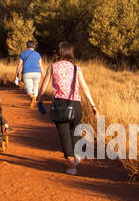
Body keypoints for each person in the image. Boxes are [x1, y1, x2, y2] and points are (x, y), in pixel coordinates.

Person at [35, 42, 97, 175]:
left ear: (59, 53)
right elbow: (84, 87)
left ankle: (72, 166)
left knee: (64, 135)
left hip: (61, 105)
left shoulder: (52, 67)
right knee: (75, 131)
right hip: (76, 105)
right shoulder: (76, 69)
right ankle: (77, 156)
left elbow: (44, 85)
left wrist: (40, 98)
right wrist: (93, 105)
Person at [17, 41, 43, 106]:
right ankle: (33, 99)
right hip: (37, 73)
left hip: (26, 72)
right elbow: (41, 65)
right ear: (34, 46)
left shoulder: (23, 53)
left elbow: (19, 64)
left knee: (28, 87)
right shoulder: (37, 54)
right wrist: (43, 74)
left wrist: (17, 72)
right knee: (35, 87)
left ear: (27, 46)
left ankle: (32, 97)